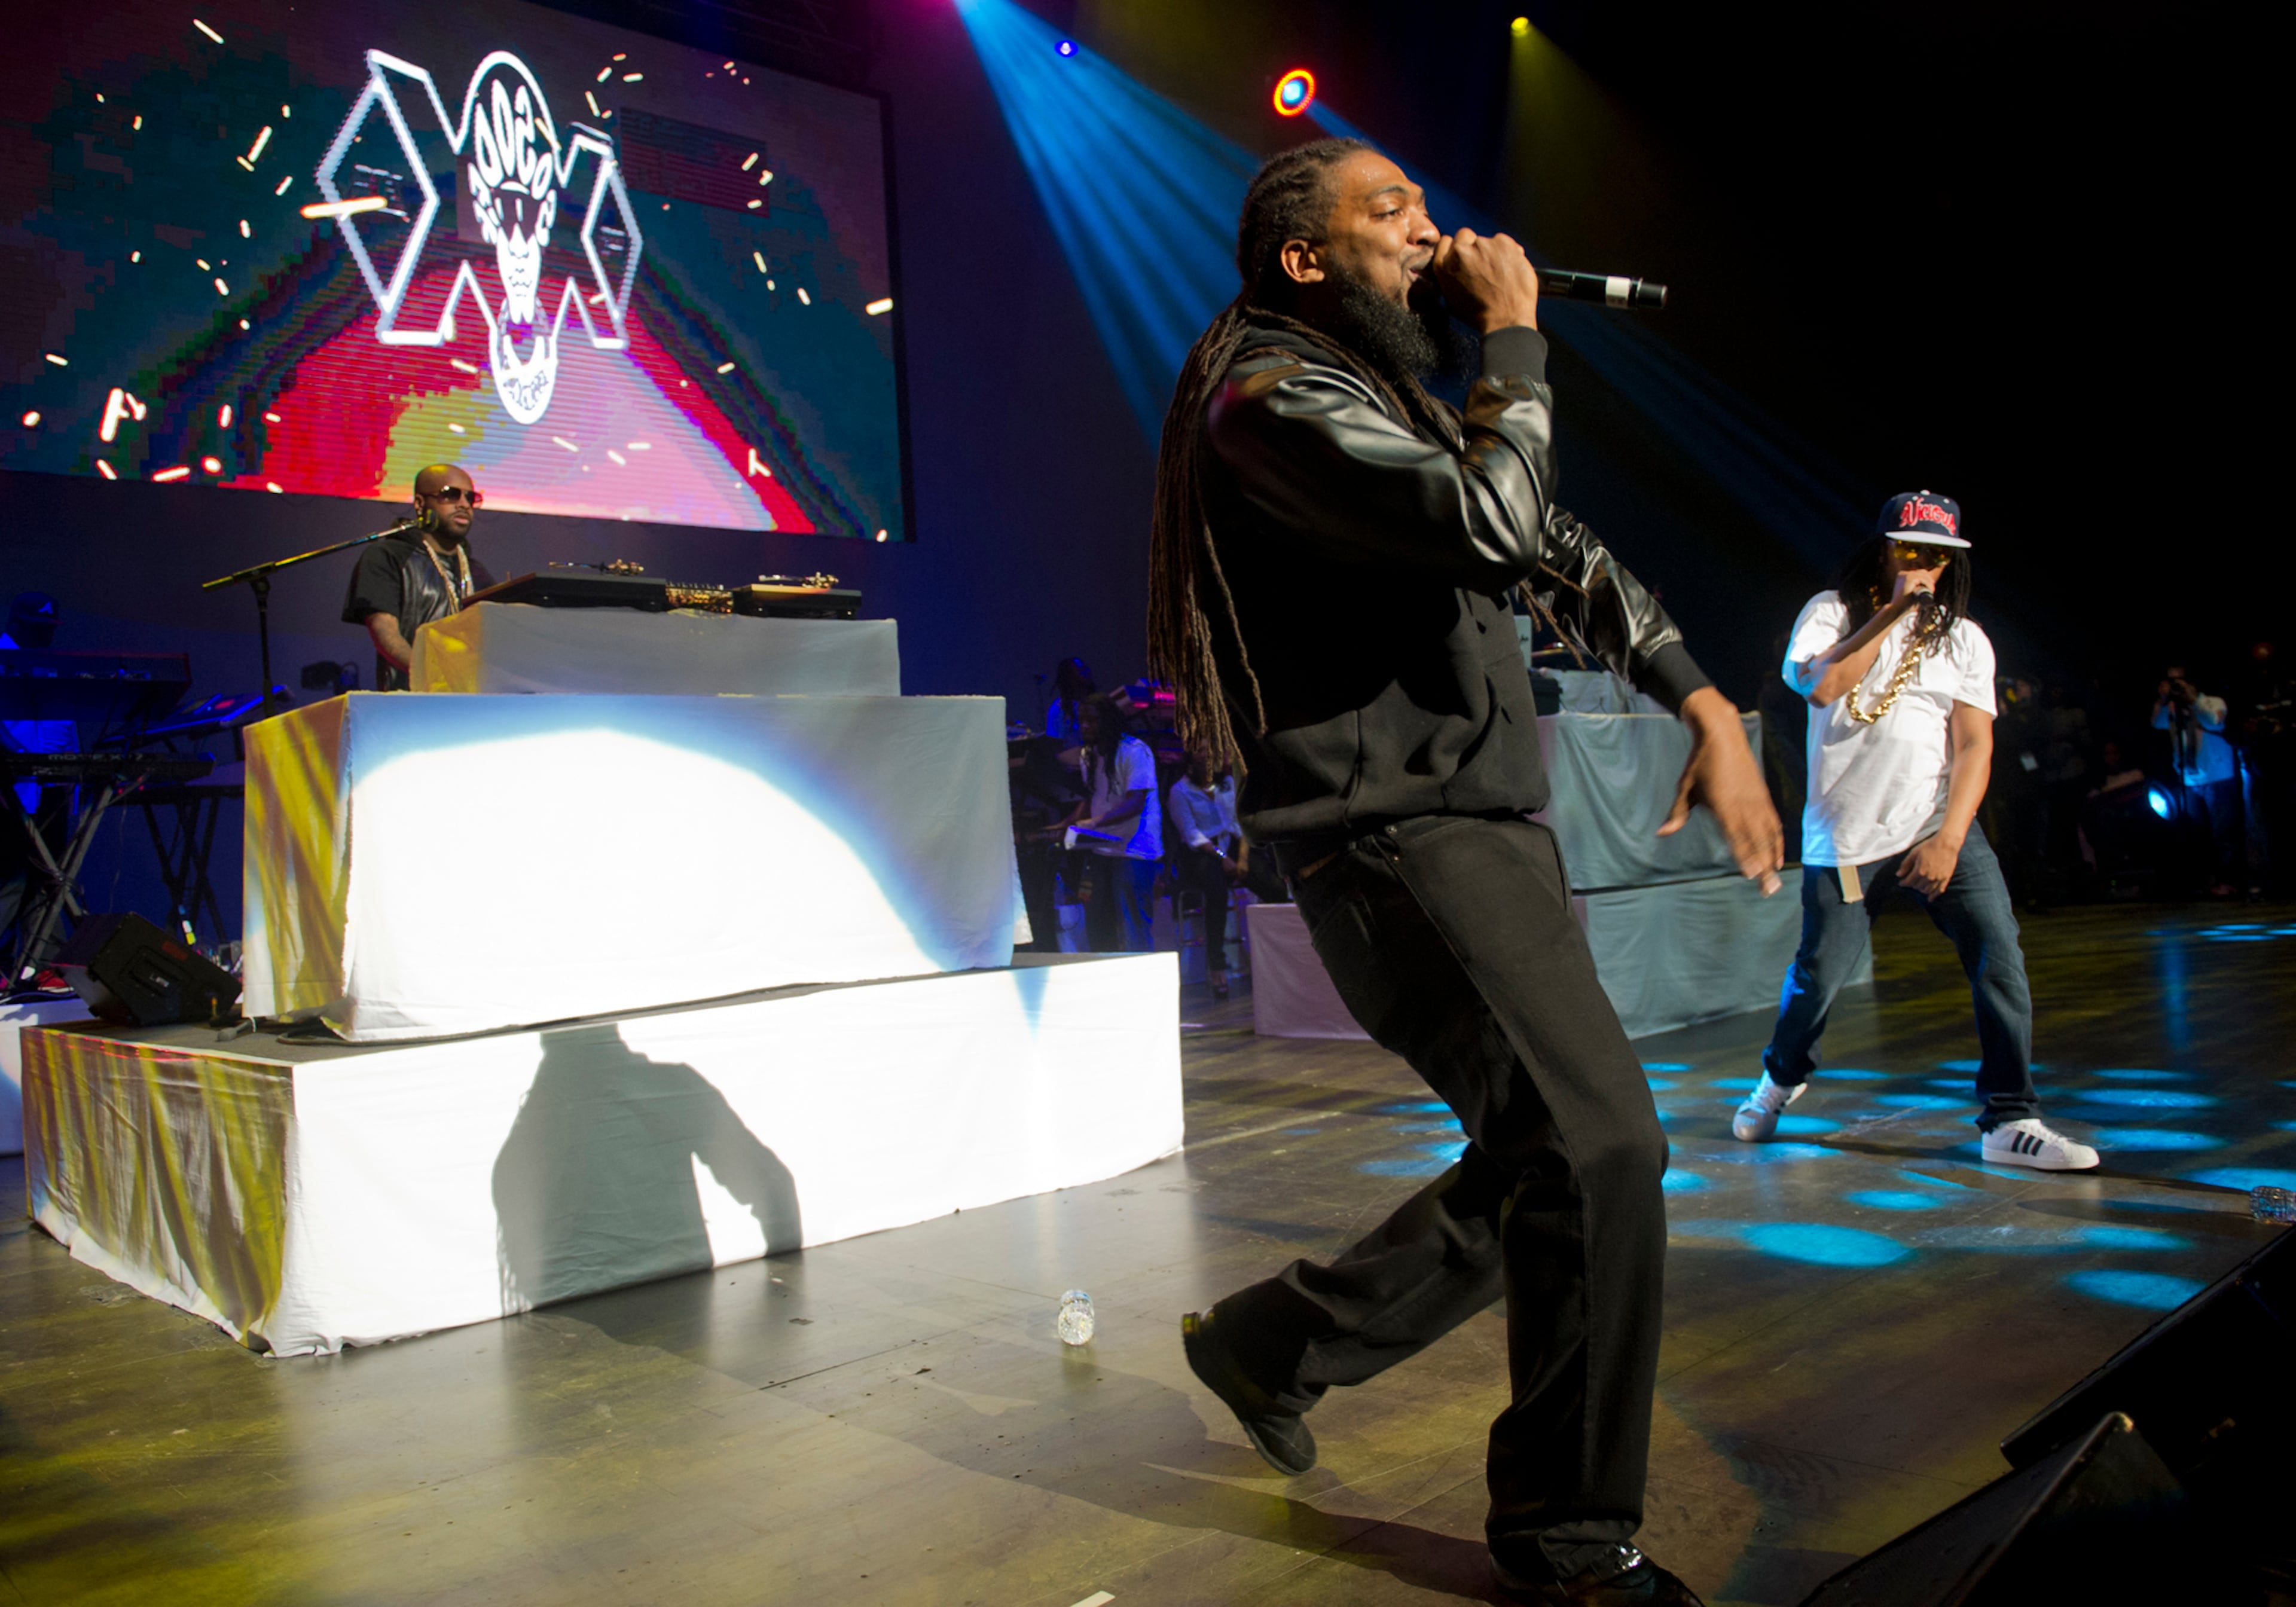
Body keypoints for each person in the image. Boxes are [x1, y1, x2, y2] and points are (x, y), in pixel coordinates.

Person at [1147, 138, 1782, 1607]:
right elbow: (1492, 519)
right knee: (1600, 1147)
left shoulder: (1384, 398)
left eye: (1431, 212)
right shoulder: (1268, 399)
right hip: (1391, 837)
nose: (1433, 235)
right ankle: (1565, 1541)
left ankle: (1273, 1347)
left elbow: (1551, 542)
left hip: (1473, 825)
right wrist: (1511, 336)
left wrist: (1695, 697)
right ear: (1305, 259)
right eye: (1394, 216)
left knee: (1545, 1153)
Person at [1734, 493, 2099, 1172]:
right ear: (1883, 551)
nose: (1923, 565)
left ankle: (2009, 1118)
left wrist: (1952, 838)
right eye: (1909, 550)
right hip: (1846, 835)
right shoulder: (1831, 612)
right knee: (1818, 980)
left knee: (2000, 955)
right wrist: (1896, 610)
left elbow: (1973, 748)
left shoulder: (1965, 639)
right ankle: (1778, 1082)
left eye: (1937, 555)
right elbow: (1820, 687)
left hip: (1935, 823)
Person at [341, 464, 485, 691]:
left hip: (471, 700)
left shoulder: (475, 571)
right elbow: (386, 635)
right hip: (410, 701)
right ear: (420, 503)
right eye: (450, 494)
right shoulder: (388, 556)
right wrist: (433, 676)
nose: (464, 504)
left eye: (471, 497)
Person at [1055, 693, 1162, 951]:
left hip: (1134, 850)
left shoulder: (1135, 751)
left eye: (1092, 720)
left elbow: (1135, 803)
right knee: (1098, 924)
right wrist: (1066, 824)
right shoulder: (1090, 756)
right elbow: (1095, 796)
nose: (1086, 726)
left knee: (1132, 928)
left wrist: (1094, 822)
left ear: (1108, 720)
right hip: (1103, 848)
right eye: (1082, 721)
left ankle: (1141, 987)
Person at [2151, 665, 2242, 895]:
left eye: (2179, 681)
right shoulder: (2172, 708)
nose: (2176, 686)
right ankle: (2206, 880)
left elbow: (2214, 722)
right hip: (2190, 779)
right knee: (2197, 833)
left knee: (2223, 832)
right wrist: (2163, 700)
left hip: (2217, 776)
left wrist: (2193, 699)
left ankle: (2228, 880)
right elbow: (2157, 723)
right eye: (2171, 681)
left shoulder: (2213, 702)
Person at [1167, 743, 1245, 997]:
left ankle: (1279, 960)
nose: (1209, 755)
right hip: (1200, 855)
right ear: (1190, 759)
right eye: (1202, 750)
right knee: (1216, 892)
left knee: (1273, 884)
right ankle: (1217, 966)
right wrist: (1223, 858)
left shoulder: (1226, 785)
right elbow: (1192, 835)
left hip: (1232, 849)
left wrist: (1242, 860)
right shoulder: (1180, 792)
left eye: (1211, 750)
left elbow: (1239, 824)